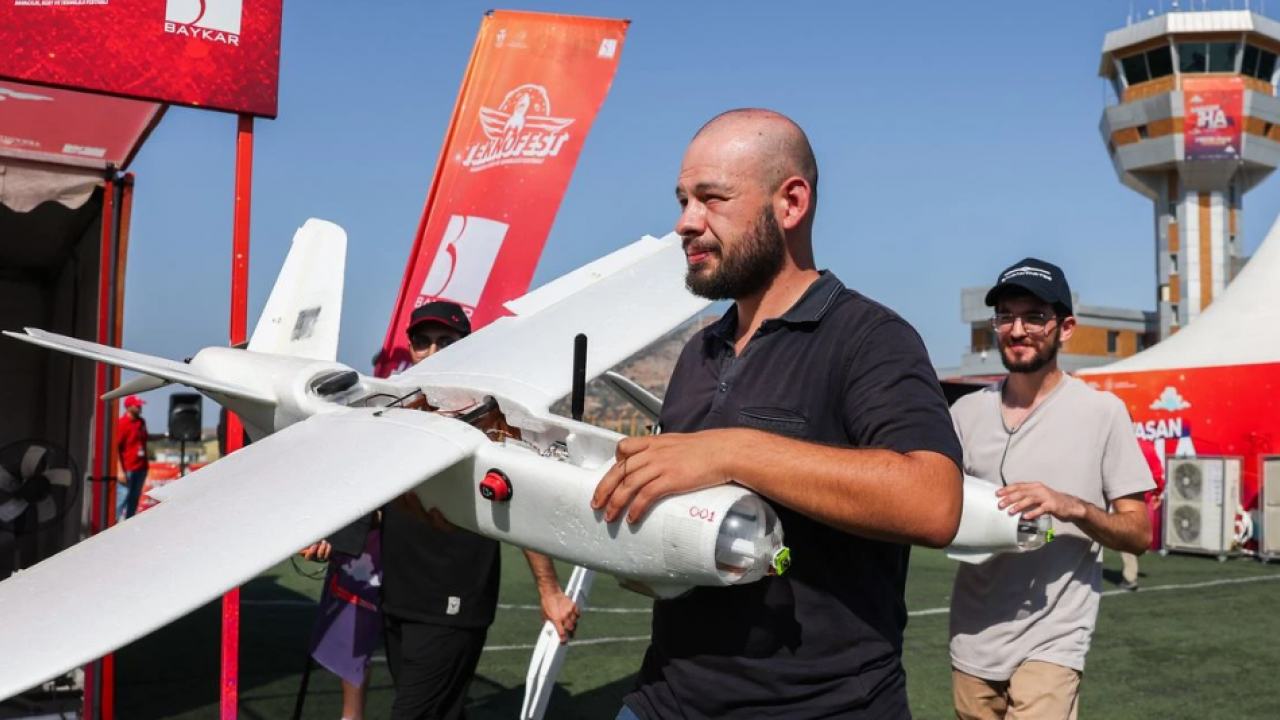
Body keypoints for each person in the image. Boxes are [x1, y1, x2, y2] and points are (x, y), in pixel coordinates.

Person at [591, 109, 964, 719]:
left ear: (790, 203)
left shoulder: (870, 338)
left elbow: (933, 500)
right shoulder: (698, 349)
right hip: (664, 700)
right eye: (684, 200)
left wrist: (734, 450)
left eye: (712, 198)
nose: (686, 223)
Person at [948, 258, 1155, 720]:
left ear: (1065, 328)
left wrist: (1072, 506)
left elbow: (1139, 533)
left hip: (1054, 638)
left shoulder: (1103, 412)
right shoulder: (964, 414)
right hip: (973, 635)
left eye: (1034, 316)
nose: (1017, 329)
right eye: (1005, 315)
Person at [379, 301, 580, 720]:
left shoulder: (495, 420)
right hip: (399, 598)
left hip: (453, 602)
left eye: (446, 343)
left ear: (468, 347)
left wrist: (549, 590)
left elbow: (521, 500)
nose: (433, 353)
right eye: (422, 343)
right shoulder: (397, 410)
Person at [115, 395, 150, 521]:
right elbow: (116, 448)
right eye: (137, 405)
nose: (140, 407)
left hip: (141, 468)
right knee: (122, 498)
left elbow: (144, 439)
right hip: (128, 469)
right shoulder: (122, 423)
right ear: (129, 407)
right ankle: (111, 527)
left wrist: (167, 436)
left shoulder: (141, 422)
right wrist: (119, 471)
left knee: (134, 499)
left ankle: (129, 526)